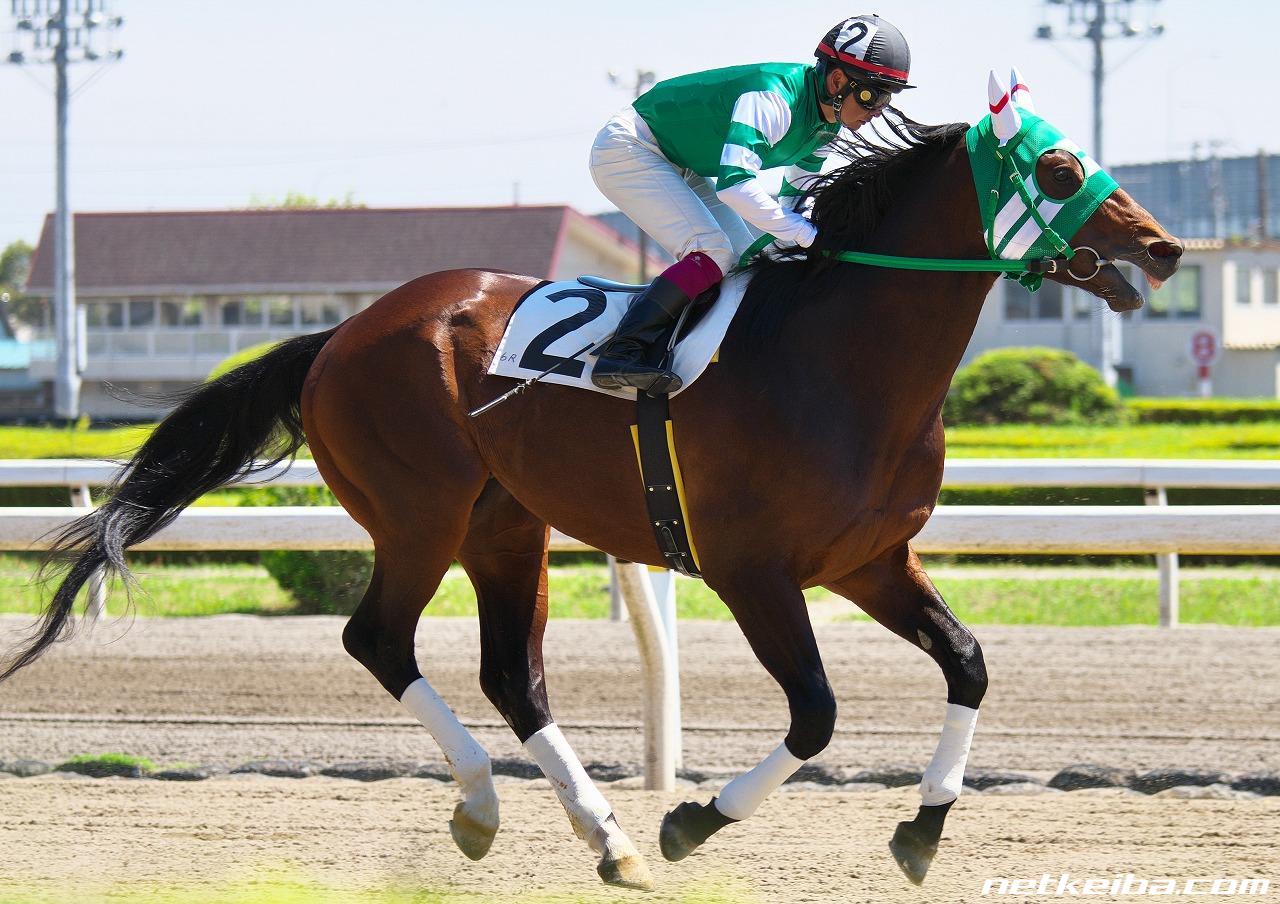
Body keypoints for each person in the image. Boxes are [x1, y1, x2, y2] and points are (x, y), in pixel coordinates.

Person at [588, 14, 914, 393]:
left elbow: (796, 201)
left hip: (678, 160)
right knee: (712, 252)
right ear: (838, 80)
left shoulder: (828, 127)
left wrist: (805, 240)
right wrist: (806, 236)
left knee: (746, 263)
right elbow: (735, 186)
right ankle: (622, 352)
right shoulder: (773, 98)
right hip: (630, 147)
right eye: (873, 95)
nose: (878, 110)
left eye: (888, 98)